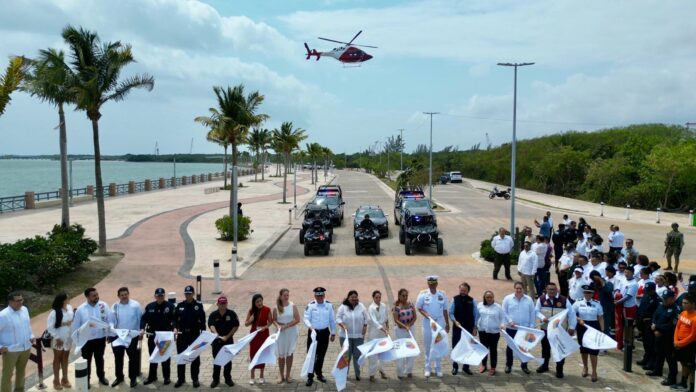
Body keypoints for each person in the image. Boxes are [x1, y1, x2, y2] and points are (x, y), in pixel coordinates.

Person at [535, 282, 577, 378]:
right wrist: (542, 318)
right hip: (545, 329)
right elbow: (536, 311)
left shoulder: (564, 300)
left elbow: (572, 314)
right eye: (550, 289)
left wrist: (571, 327)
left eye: (553, 289)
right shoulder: (541, 299)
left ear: (557, 289)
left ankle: (559, 369)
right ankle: (545, 365)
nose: (552, 291)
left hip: (560, 331)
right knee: (545, 348)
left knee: (560, 350)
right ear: (546, 289)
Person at [72, 287, 111, 387]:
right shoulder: (80, 310)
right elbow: (76, 326)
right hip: (87, 341)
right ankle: (86, 380)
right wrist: (78, 341)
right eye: (94, 296)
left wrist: (109, 334)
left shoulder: (103, 305)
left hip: (100, 338)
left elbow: (109, 320)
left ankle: (101, 377)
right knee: (87, 361)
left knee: (99, 359)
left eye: (97, 294)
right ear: (87, 297)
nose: (96, 297)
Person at [0, 292, 34, 392]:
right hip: (10, 351)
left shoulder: (25, 310)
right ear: (10, 302)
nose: (20, 303)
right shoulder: (3, 315)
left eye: (21, 300)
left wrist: (31, 335)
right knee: (7, 375)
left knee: (21, 372)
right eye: (18, 301)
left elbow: (28, 326)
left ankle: (19, 390)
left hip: (25, 348)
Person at [416, 275, 450, 378]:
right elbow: (419, 307)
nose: (432, 286)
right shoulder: (423, 294)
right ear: (428, 284)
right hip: (428, 323)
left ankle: (438, 367)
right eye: (430, 284)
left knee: (438, 345)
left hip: (439, 322)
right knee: (427, 346)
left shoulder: (442, 294)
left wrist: (447, 323)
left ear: (437, 284)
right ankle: (427, 368)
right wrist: (427, 316)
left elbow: (445, 309)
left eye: (434, 284)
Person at [141, 288, 176, 386]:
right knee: (153, 357)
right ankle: (152, 376)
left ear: (164, 296)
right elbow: (143, 319)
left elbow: (174, 319)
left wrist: (174, 328)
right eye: (158, 295)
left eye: (162, 295)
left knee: (165, 357)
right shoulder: (150, 306)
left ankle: (166, 377)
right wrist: (142, 328)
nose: (160, 297)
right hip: (153, 337)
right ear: (155, 296)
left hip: (165, 337)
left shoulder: (170, 306)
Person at [109, 287, 143, 388]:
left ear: (129, 294)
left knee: (133, 358)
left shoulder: (135, 305)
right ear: (118, 296)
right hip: (118, 336)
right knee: (118, 358)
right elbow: (111, 321)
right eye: (122, 295)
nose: (124, 296)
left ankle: (132, 378)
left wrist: (139, 333)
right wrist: (111, 332)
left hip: (131, 336)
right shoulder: (115, 306)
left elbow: (140, 320)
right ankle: (119, 377)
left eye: (126, 294)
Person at [174, 285, 206, 388]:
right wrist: (175, 328)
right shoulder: (180, 306)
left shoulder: (198, 306)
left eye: (190, 293)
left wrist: (203, 333)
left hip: (194, 335)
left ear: (193, 294)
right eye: (186, 293)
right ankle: (181, 378)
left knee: (195, 357)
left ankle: (195, 379)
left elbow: (203, 320)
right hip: (182, 335)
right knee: (181, 356)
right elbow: (174, 319)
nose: (188, 295)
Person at [303, 287, 336, 387]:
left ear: (324, 295)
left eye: (321, 295)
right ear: (315, 296)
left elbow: (332, 320)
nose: (320, 297)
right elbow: (306, 318)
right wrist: (310, 326)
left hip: (325, 333)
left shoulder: (329, 305)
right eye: (318, 296)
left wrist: (333, 333)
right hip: (313, 333)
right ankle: (310, 376)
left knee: (321, 354)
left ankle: (319, 373)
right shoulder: (311, 305)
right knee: (311, 354)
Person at [501, 281, 535, 375]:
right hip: (511, 328)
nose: (519, 290)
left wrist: (531, 327)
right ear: (514, 288)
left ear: (524, 289)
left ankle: (524, 365)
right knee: (510, 347)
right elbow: (504, 311)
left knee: (524, 347)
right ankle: (509, 365)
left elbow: (532, 313)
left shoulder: (529, 300)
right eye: (517, 288)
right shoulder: (508, 299)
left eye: (520, 288)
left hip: (524, 329)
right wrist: (510, 321)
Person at [573, 285, 604, 382]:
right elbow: (571, 314)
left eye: (589, 293)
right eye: (586, 292)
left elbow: (600, 318)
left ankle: (594, 371)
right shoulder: (577, 303)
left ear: (593, 294)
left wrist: (602, 331)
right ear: (583, 293)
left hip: (594, 327)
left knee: (593, 350)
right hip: (582, 327)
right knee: (584, 349)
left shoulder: (597, 304)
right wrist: (578, 319)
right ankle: (585, 367)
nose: (587, 294)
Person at [336, 290, 368, 381]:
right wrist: (342, 325)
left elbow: (366, 318)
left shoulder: (361, 306)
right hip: (345, 336)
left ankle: (358, 374)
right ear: (348, 298)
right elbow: (337, 318)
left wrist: (365, 326)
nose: (354, 299)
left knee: (357, 356)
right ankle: (344, 374)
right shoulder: (343, 307)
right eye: (352, 297)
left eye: (355, 297)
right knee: (347, 357)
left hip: (358, 336)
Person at [648, 289, 679, 385]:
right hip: (658, 335)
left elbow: (671, 325)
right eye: (664, 298)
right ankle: (658, 370)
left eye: (667, 299)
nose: (665, 300)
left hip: (669, 337)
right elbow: (655, 315)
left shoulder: (676, 310)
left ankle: (672, 378)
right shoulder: (661, 305)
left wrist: (657, 327)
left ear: (673, 298)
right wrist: (654, 325)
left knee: (670, 358)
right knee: (659, 353)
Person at [208, 295, 239, 388]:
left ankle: (228, 378)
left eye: (224, 303)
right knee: (217, 360)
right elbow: (211, 325)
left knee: (227, 361)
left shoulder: (232, 314)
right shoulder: (213, 314)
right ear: (217, 304)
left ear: (227, 304)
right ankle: (215, 379)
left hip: (228, 340)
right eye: (220, 304)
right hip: (217, 341)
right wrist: (216, 333)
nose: (222, 305)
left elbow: (236, 325)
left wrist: (228, 336)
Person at [449, 282, 478, 376]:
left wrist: (475, 327)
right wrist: (454, 321)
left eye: (464, 290)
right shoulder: (454, 299)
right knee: (456, 346)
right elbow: (451, 313)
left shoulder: (472, 300)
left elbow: (476, 315)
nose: (463, 292)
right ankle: (455, 366)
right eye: (461, 290)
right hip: (457, 327)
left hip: (469, 328)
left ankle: (466, 367)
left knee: (468, 347)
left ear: (468, 291)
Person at [477, 290, 507, 376]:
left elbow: (503, 318)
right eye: (487, 297)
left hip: (494, 332)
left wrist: (502, 325)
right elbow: (476, 316)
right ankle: (483, 365)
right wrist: (475, 326)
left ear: (493, 297)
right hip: (482, 331)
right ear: (484, 298)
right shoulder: (479, 305)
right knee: (483, 349)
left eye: (491, 297)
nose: (489, 299)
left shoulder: (498, 307)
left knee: (493, 350)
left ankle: (493, 367)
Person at [272, 289, 299, 384]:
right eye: (284, 295)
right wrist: (278, 326)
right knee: (281, 354)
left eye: (288, 295)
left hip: (291, 332)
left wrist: (286, 326)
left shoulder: (293, 306)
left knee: (289, 353)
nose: (286, 297)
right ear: (280, 296)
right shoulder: (276, 307)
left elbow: (297, 319)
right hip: (280, 333)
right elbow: (273, 320)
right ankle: (281, 374)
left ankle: (288, 374)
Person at [47, 293, 73, 390]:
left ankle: (65, 378)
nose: (69, 299)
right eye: (67, 298)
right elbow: (50, 327)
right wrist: (57, 338)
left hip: (68, 337)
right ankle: (56, 380)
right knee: (57, 358)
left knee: (65, 357)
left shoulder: (69, 308)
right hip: (59, 339)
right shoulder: (54, 313)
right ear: (63, 300)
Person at [246, 293, 271, 385]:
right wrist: (251, 319)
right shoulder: (251, 310)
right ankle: (252, 376)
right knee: (253, 354)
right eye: (257, 302)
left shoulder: (267, 309)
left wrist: (265, 327)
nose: (259, 303)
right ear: (254, 303)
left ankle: (261, 376)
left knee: (262, 354)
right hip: (254, 335)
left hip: (264, 334)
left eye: (260, 301)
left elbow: (270, 321)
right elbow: (246, 324)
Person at [392, 289, 417, 379]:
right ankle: (400, 372)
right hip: (400, 330)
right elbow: (396, 320)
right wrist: (404, 326)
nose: (405, 297)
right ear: (399, 296)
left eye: (406, 295)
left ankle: (409, 370)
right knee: (401, 350)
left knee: (411, 349)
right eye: (403, 295)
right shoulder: (397, 307)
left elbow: (415, 316)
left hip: (410, 329)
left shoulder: (410, 304)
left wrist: (409, 325)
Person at [674, 294, 696, 391]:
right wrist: (675, 340)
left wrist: (680, 343)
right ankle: (683, 383)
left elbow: (692, 336)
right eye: (683, 303)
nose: (683, 304)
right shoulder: (683, 313)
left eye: (686, 303)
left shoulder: (695, 318)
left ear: (693, 304)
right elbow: (677, 327)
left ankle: (692, 386)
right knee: (683, 364)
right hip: (679, 343)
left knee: (691, 367)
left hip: (690, 346)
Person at [636, 282, 659, 371]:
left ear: (653, 290)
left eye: (648, 291)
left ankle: (651, 362)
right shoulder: (645, 297)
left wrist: (651, 322)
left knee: (651, 344)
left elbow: (656, 314)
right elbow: (641, 309)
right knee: (645, 343)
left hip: (650, 325)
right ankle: (646, 359)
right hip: (642, 324)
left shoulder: (657, 300)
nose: (647, 292)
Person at [367, 290, 389, 382]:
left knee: (383, 352)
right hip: (374, 331)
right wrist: (383, 328)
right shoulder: (371, 307)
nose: (378, 299)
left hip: (383, 332)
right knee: (373, 354)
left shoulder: (383, 306)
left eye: (379, 297)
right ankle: (372, 374)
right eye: (376, 297)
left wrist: (387, 326)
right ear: (373, 297)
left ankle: (382, 370)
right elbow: (374, 321)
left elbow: (386, 317)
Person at [615, 267, 638, 351]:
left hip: (629, 307)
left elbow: (628, 296)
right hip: (622, 306)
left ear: (632, 273)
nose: (626, 274)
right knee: (622, 326)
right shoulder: (623, 280)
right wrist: (616, 293)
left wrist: (617, 302)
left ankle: (630, 345)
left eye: (628, 272)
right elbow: (618, 289)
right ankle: (623, 342)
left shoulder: (634, 284)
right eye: (625, 272)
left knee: (629, 327)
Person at [589, 271, 614, 338]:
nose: (594, 281)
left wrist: (601, 280)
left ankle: (604, 345)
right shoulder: (593, 285)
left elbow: (608, 290)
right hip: (595, 309)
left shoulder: (608, 283)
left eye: (595, 279)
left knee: (605, 328)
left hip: (605, 310)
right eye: (593, 280)